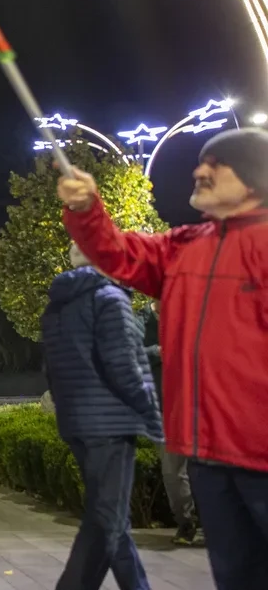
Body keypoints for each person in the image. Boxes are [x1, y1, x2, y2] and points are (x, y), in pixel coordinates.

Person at [58, 128, 268, 590]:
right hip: (207, 454)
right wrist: (84, 208)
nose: (199, 170)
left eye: (216, 163)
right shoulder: (184, 246)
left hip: (260, 455)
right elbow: (116, 251)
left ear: (254, 177)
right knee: (235, 576)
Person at [42, 244, 162, 590]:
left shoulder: (57, 306)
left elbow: (51, 370)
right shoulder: (110, 298)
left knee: (112, 519)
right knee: (107, 521)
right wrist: (152, 415)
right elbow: (124, 367)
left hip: (77, 423)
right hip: (111, 424)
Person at [137, 302, 200, 546]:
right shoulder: (140, 321)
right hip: (166, 410)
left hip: (201, 405)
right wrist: (156, 351)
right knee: (173, 471)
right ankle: (186, 524)